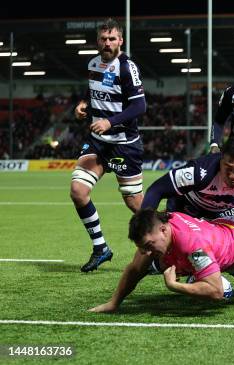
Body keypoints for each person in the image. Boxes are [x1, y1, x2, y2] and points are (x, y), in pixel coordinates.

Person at [88, 208, 234, 313]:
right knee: (145, 264)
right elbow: (135, 269)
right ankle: (217, 269)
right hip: (221, 228)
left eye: (148, 246)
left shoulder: (192, 246)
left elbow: (216, 292)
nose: (146, 252)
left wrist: (175, 286)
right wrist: (113, 303)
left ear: (164, 230)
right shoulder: (165, 221)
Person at [141, 135, 234, 292]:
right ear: (220, 160)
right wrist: (145, 226)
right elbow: (156, 190)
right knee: (172, 256)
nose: (232, 176)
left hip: (224, 212)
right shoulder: (199, 171)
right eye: (227, 168)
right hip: (188, 211)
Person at [70, 18, 147, 272]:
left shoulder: (127, 68)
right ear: (97, 41)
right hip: (98, 143)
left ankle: (162, 251)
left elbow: (139, 107)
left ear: (120, 41)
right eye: (103, 38)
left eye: (112, 38)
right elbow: (94, 93)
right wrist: (84, 105)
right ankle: (101, 248)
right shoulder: (93, 64)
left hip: (124, 144)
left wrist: (110, 122)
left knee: (136, 205)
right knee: (78, 191)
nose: (107, 43)